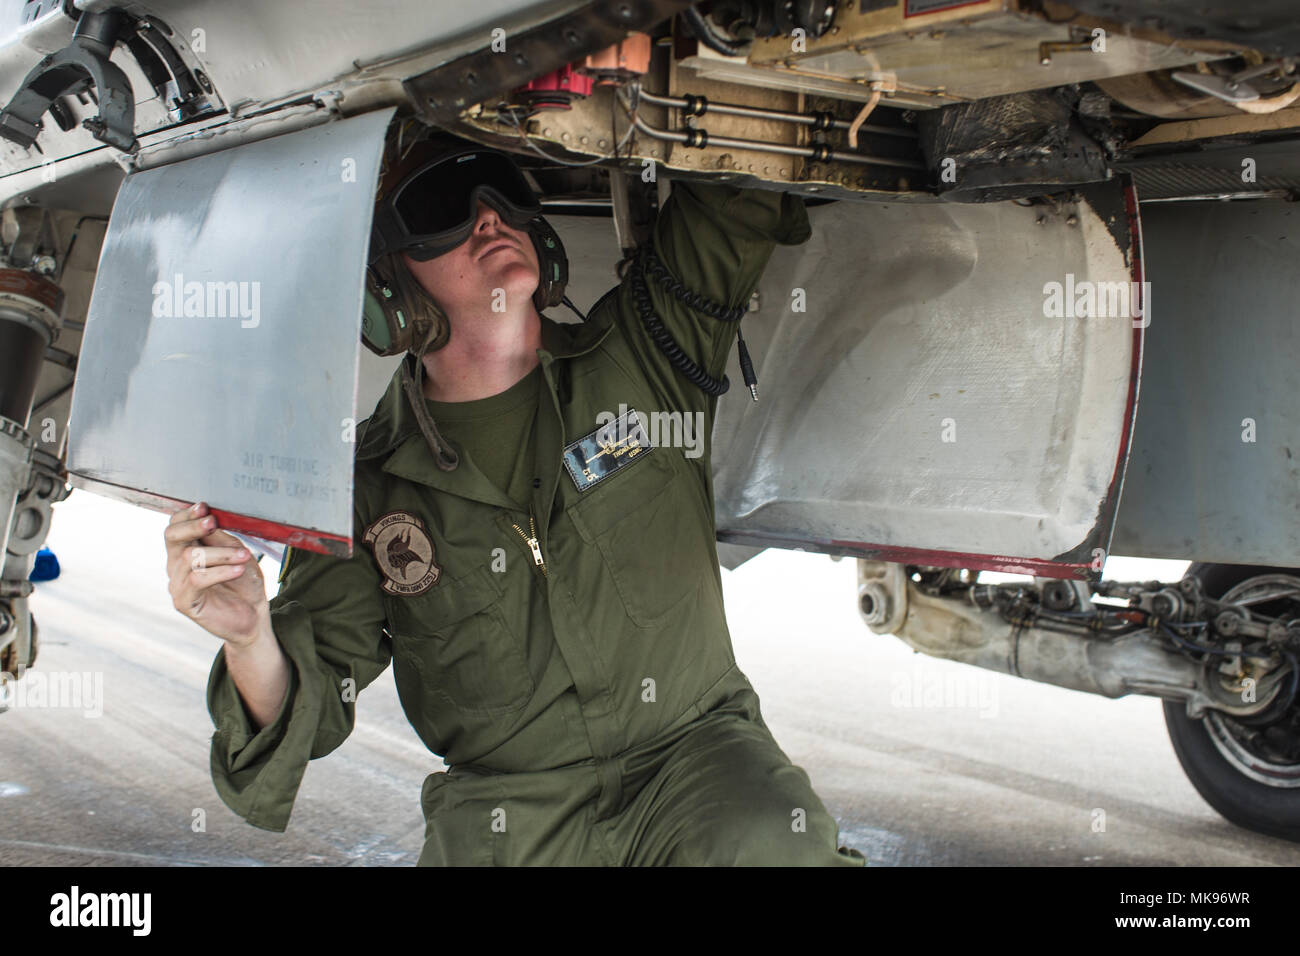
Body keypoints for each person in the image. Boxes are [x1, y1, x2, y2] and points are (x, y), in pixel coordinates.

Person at [164, 130, 865, 866]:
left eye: (504, 194)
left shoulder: (646, 356)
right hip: (511, 811)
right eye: (444, 208)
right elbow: (307, 706)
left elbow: (740, 175)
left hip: (694, 762)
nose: (489, 219)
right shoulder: (369, 490)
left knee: (765, 842)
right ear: (389, 284)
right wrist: (248, 637)